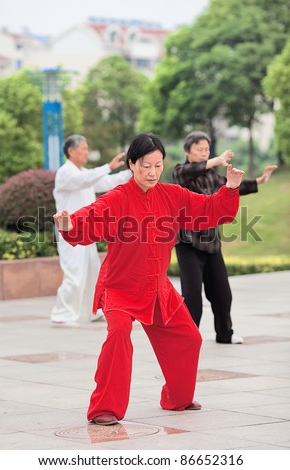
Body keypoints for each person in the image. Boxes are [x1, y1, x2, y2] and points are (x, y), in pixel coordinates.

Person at [53, 132, 244, 426]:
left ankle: (176, 397)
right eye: (145, 166)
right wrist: (69, 224)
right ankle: (104, 408)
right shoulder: (117, 198)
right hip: (120, 286)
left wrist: (230, 187)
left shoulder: (171, 195)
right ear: (131, 164)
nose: (152, 172)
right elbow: (89, 217)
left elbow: (207, 209)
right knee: (118, 335)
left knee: (190, 337)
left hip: (157, 288)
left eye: (158, 165)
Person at [172, 130, 278, 344]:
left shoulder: (213, 176)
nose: (204, 153)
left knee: (222, 293)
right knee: (192, 296)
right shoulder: (180, 172)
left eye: (206, 149)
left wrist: (259, 180)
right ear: (187, 151)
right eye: (199, 149)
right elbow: (192, 169)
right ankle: (188, 339)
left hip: (211, 243)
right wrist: (216, 160)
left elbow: (233, 188)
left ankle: (225, 334)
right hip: (188, 243)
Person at [51, 134, 131, 327]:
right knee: (74, 272)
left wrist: (132, 171)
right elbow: (85, 179)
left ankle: (92, 311)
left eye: (87, 149)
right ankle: (62, 314)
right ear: (71, 151)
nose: (86, 152)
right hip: (68, 230)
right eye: (83, 149)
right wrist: (108, 166)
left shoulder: (84, 173)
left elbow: (108, 182)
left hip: (86, 231)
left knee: (92, 271)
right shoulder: (66, 173)